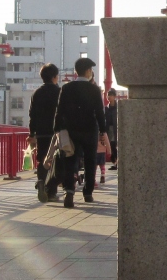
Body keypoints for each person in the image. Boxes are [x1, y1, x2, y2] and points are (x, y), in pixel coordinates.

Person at [52, 57, 109, 208]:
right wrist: (103, 130)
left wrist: (57, 128)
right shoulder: (94, 89)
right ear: (88, 71)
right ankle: (88, 192)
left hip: (71, 129)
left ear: (76, 71)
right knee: (90, 160)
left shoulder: (67, 88)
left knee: (70, 160)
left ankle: (69, 191)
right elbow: (99, 112)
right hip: (90, 130)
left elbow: (59, 110)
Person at [28, 63, 61, 202]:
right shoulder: (59, 92)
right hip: (56, 133)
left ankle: (41, 180)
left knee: (42, 159)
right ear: (54, 77)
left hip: (41, 133)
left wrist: (32, 134)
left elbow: (32, 115)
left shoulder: (37, 93)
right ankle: (51, 192)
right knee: (54, 161)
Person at [105, 88, 118, 169]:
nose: (109, 97)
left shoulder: (118, 107)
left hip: (116, 128)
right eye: (108, 95)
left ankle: (116, 162)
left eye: (111, 95)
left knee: (113, 145)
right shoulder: (106, 108)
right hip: (108, 129)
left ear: (114, 96)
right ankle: (115, 162)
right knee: (110, 146)